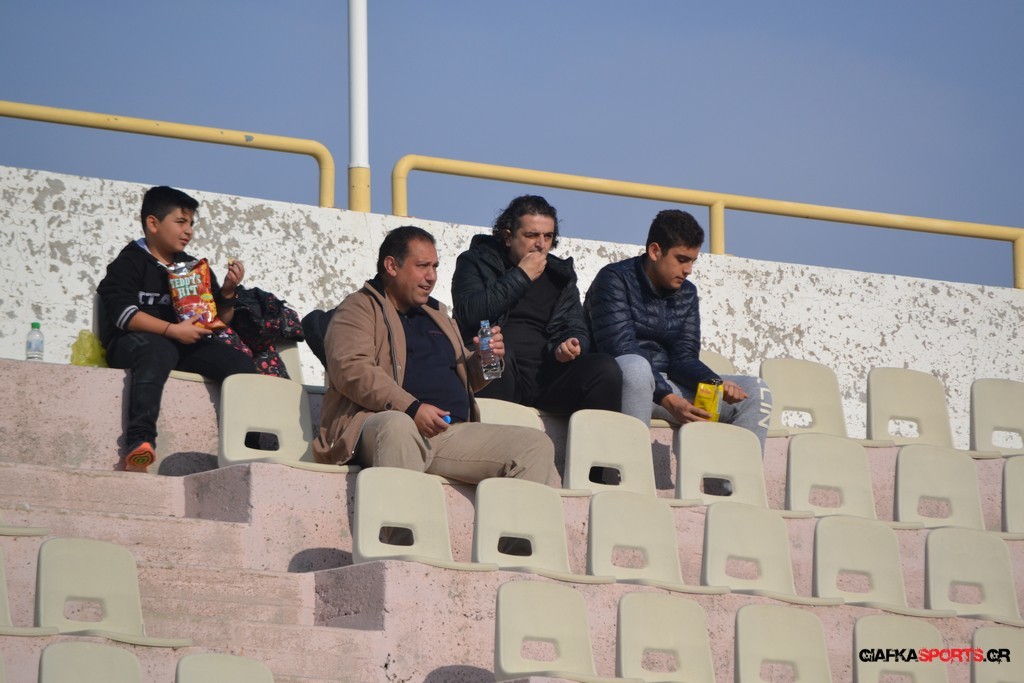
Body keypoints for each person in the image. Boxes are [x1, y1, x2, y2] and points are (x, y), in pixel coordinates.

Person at [313, 225, 558, 485]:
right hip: (382, 424)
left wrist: (484, 360)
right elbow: (352, 370)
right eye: (422, 266)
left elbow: (467, 379)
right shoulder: (359, 307)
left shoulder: (437, 315)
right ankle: (398, 514)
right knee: (399, 426)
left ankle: (515, 515)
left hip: (450, 432)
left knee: (534, 445)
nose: (431, 276)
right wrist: (412, 409)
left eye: (435, 267)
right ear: (392, 266)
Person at [97, 186, 257, 472]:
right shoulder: (129, 262)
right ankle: (139, 442)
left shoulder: (192, 267)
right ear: (153, 223)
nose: (189, 231)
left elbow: (218, 320)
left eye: (191, 223)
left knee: (240, 364)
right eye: (181, 222)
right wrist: (172, 330)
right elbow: (123, 315)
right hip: (132, 344)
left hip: (180, 344)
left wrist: (228, 292)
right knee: (157, 350)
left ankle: (250, 448)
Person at [585, 209, 772, 450]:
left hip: (668, 389)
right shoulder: (614, 279)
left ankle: (737, 474)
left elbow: (684, 357)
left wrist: (714, 383)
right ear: (655, 251)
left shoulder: (688, 293)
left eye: (693, 261)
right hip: (625, 386)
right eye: (682, 259)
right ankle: (630, 465)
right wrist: (670, 399)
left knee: (756, 391)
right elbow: (620, 347)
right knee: (636, 367)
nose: (688, 270)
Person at [450, 195, 622, 414]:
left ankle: (598, 438)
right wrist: (521, 275)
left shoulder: (560, 275)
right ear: (508, 237)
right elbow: (468, 313)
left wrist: (570, 344)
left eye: (548, 236)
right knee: (492, 354)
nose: (541, 244)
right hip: (498, 371)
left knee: (605, 368)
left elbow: (576, 326)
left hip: (546, 376)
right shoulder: (476, 261)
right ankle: (494, 433)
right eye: (531, 235)